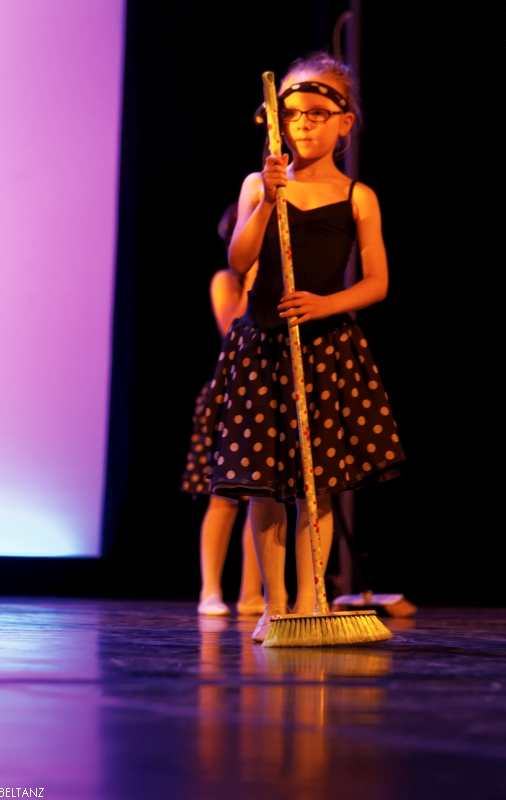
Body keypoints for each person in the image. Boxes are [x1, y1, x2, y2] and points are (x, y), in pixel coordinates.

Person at [204, 52, 405, 641]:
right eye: (291, 115)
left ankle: (313, 595)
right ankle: (275, 603)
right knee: (264, 482)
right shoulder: (259, 185)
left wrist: (325, 304)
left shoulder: (357, 196)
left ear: (344, 122)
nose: (303, 125)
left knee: (316, 483)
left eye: (317, 113)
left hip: (323, 350)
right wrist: (270, 200)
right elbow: (238, 260)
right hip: (263, 350)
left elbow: (377, 282)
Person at [181, 205, 269, 617]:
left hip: (266, 394)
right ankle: (211, 591)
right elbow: (232, 328)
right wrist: (252, 278)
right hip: (228, 396)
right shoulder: (226, 281)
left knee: (262, 499)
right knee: (224, 498)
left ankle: (252, 594)